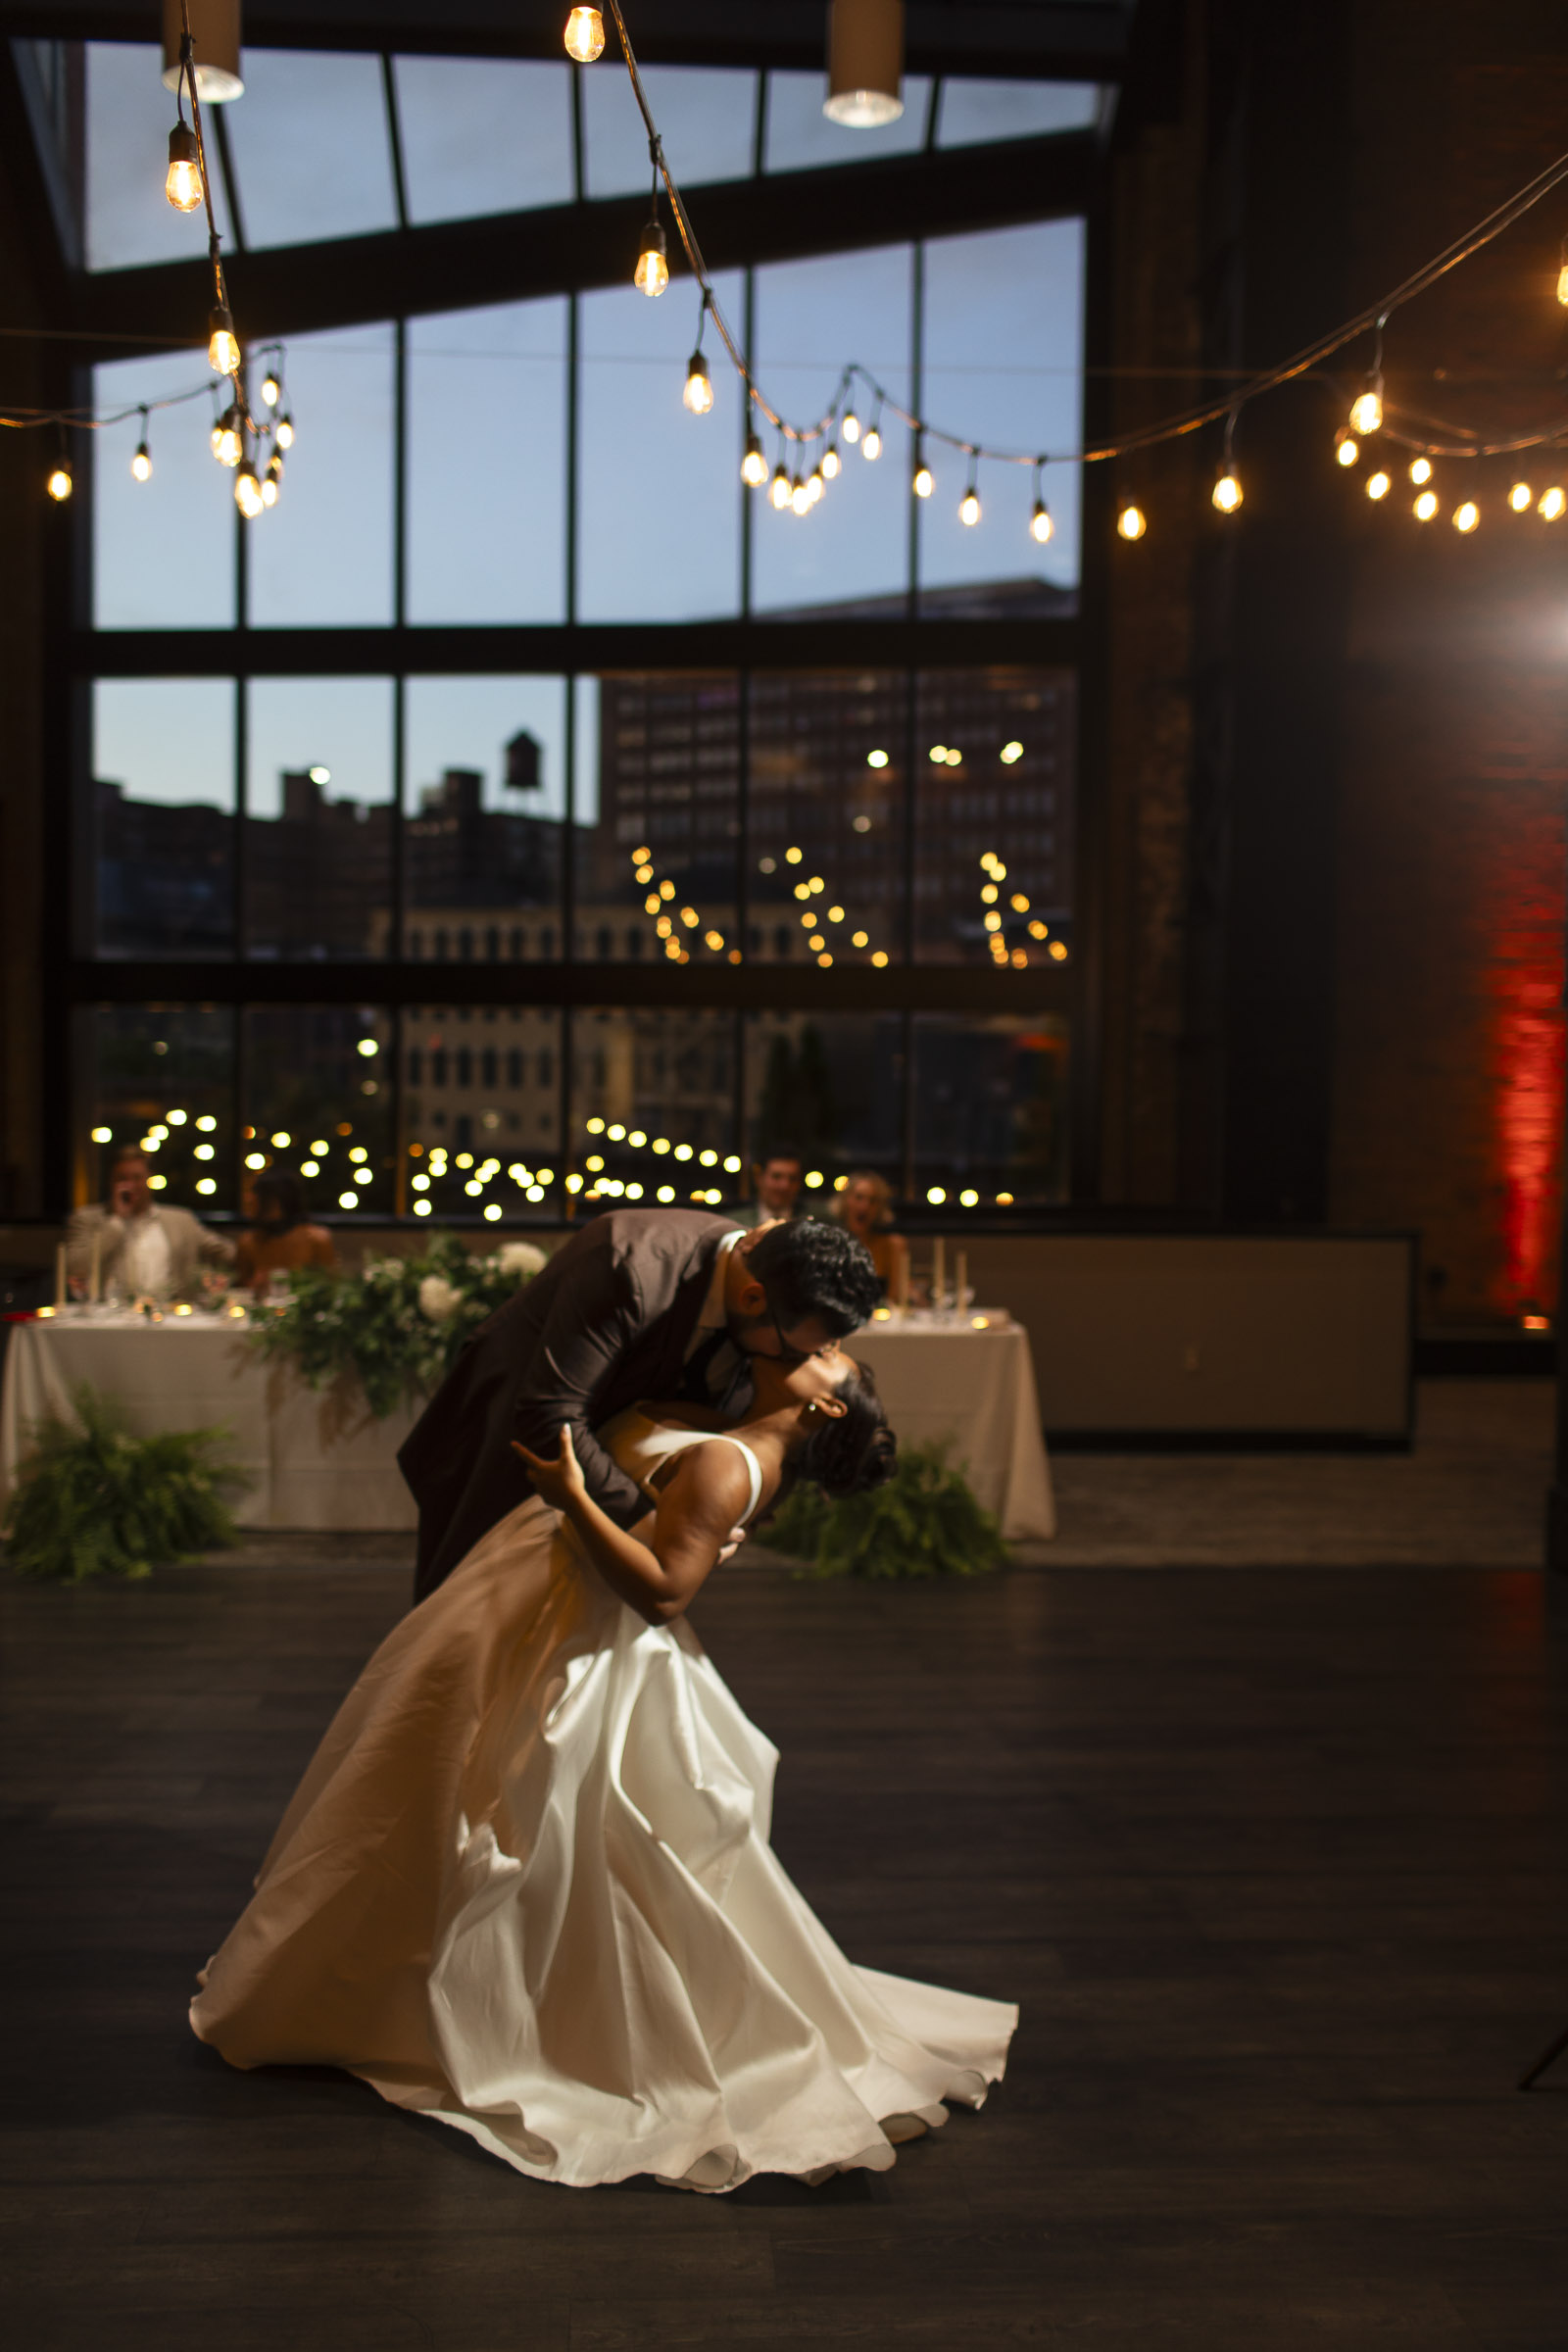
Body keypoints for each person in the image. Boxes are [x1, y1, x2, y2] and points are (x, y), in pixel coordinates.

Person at [190, 1343, 1017, 2192]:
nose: (821, 1345)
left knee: (532, 1827)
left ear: (827, 1406)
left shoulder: (732, 1462)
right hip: (536, 1606)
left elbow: (663, 1594)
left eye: (832, 1355)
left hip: (580, 1640)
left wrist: (574, 1497)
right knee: (462, 1801)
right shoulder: (730, 1423)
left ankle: (487, 2012)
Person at [399, 1206, 884, 1605]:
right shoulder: (629, 1263)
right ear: (753, 1298)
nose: (805, 1361)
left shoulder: (773, 1291)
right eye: (795, 1351)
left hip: (592, 1523)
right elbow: (550, 1415)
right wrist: (653, 1531)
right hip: (499, 1461)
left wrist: (717, 1524)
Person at [66, 1147, 234, 1301]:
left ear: (149, 1179)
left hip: (170, 1314)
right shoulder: (87, 1219)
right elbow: (75, 1268)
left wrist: (246, 1251)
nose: (130, 1185)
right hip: (109, 1315)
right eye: (122, 1178)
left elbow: (223, 1251)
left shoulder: (181, 1220)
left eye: (137, 1178)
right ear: (111, 1182)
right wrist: (116, 1223)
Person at [231, 1170, 337, 1296]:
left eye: (259, 1196)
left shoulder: (317, 1240)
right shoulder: (248, 1242)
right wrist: (253, 1285)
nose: (249, 1200)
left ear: (282, 1201)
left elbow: (330, 1288)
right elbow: (239, 1289)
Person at [827, 1169, 909, 1298]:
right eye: (859, 1197)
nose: (865, 1206)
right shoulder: (828, 1244)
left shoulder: (892, 1245)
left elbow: (896, 1299)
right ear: (845, 1201)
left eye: (873, 1201)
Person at [730, 1143, 806, 1230]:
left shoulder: (810, 1221)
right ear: (759, 1178)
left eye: (793, 1179)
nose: (785, 1186)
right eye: (776, 1176)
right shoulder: (734, 1223)